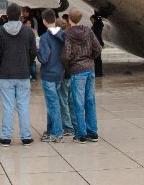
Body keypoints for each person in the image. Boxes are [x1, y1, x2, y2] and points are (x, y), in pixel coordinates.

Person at [0, 2, 37, 147]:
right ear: (20, 15)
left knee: (8, 107)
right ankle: (26, 137)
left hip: (6, 74)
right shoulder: (28, 31)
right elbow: (32, 53)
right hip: (23, 74)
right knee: (23, 106)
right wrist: (27, 64)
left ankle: (6, 137)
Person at [62, 8, 102, 144]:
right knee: (90, 101)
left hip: (77, 70)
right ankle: (93, 132)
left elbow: (67, 54)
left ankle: (81, 134)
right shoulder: (88, 30)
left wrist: (69, 64)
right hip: (90, 69)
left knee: (78, 103)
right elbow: (98, 48)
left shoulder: (68, 34)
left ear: (69, 19)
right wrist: (90, 59)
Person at [37, 9, 66, 142]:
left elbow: (44, 58)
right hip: (60, 72)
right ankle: (50, 130)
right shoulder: (63, 35)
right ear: (55, 19)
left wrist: (37, 52)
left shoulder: (45, 38)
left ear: (43, 21)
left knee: (53, 104)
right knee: (53, 103)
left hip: (48, 74)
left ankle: (57, 133)